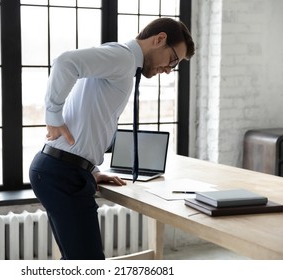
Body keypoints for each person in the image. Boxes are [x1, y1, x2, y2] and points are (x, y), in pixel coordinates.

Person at [29, 17, 195, 260]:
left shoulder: (124, 64)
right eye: (172, 60)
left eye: (175, 66)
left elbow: (91, 120)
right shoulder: (124, 57)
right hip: (62, 173)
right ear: (159, 39)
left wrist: (91, 169)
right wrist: (53, 115)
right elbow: (65, 62)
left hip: (67, 170)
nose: (169, 70)